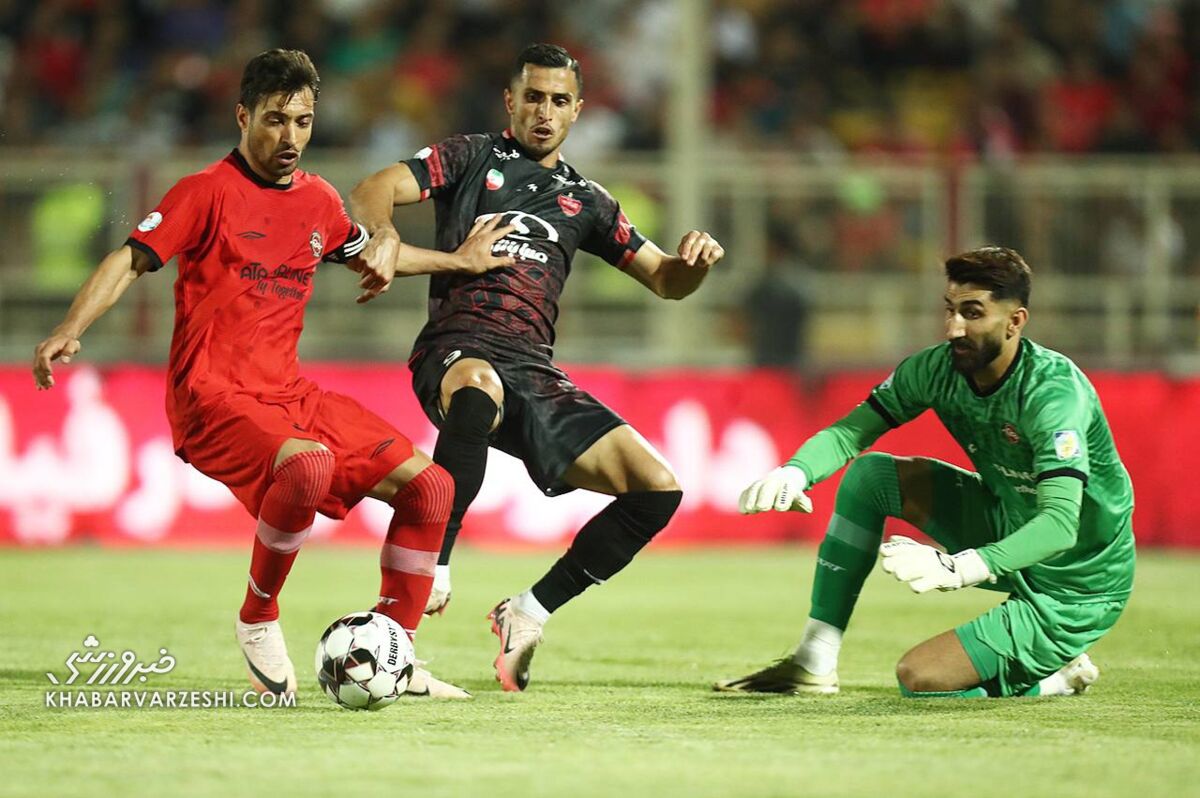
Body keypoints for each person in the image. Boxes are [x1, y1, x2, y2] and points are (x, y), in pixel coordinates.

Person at [31, 49, 515, 699]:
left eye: (303, 122)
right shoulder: (204, 192)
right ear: (243, 116)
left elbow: (372, 256)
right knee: (307, 466)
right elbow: (129, 260)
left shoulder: (317, 200)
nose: (290, 136)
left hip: (288, 394)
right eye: (275, 120)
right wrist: (71, 327)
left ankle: (394, 652)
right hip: (211, 396)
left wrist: (460, 261)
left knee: (431, 487)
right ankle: (258, 616)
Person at [349, 43, 724, 691]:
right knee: (477, 388)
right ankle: (434, 563)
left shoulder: (588, 201)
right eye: (533, 98)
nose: (544, 112)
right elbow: (372, 189)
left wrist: (692, 266)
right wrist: (384, 233)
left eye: (558, 101)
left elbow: (665, 280)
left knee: (656, 489)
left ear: (577, 110)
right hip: (457, 346)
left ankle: (528, 610)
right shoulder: (469, 157)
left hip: (534, 370)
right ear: (511, 101)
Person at [716, 247, 1134, 699]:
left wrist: (959, 567)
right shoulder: (937, 368)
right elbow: (850, 432)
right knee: (871, 477)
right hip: (1009, 522)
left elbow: (1060, 524)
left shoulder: (1053, 394)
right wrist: (796, 472)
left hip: (1077, 581)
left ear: (1015, 322)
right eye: (950, 310)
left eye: (972, 313)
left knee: (921, 679)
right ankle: (813, 660)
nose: (954, 328)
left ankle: (1058, 680)